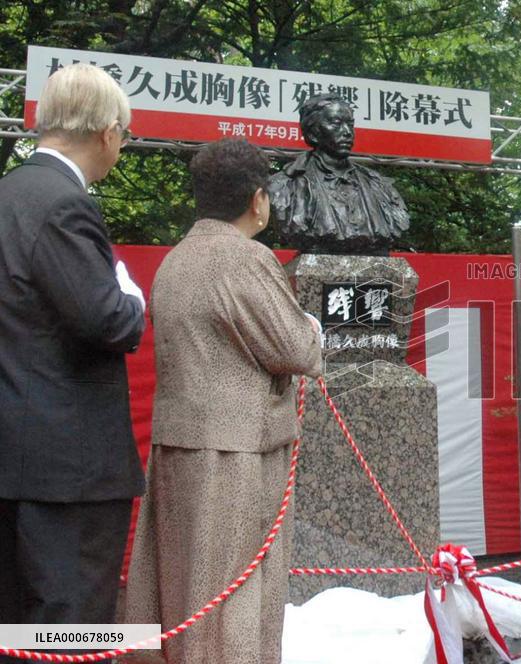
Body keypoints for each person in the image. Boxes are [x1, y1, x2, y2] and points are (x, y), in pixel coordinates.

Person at [124, 138, 323, 664]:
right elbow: (296, 348)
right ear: (258, 199)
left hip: (179, 445)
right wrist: (311, 326)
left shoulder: (176, 259)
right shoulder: (246, 258)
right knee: (229, 595)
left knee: (179, 584)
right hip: (235, 455)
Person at [0, 63, 145, 656]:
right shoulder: (64, 205)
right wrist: (130, 292)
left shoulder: (9, 192)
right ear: (109, 132)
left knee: (15, 624)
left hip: (14, 453)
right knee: (70, 627)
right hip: (68, 468)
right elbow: (107, 319)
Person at [268, 93, 410, 255]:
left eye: (350, 124)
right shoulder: (283, 186)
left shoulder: (379, 185)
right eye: (336, 123)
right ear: (312, 134)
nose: (347, 132)